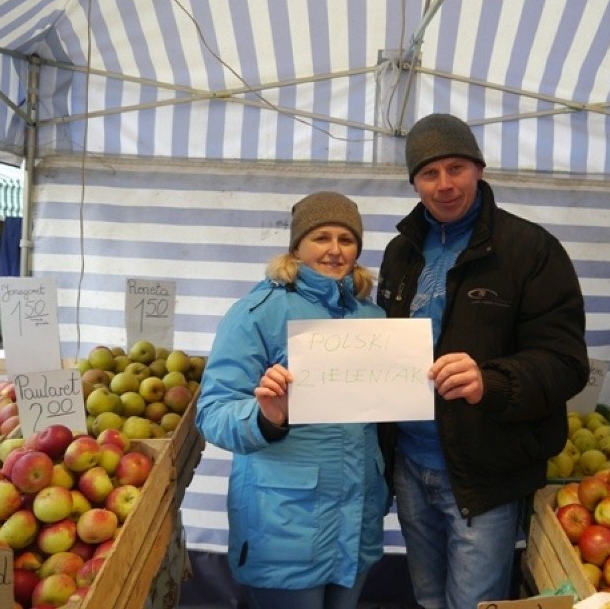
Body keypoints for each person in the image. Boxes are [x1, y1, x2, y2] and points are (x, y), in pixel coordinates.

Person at [377, 113, 590, 609]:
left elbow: (565, 362)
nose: (445, 184)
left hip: (483, 472)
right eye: (430, 173)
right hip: (410, 463)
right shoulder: (399, 253)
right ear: (414, 182)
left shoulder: (530, 250)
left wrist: (490, 381)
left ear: (479, 168)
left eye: (457, 168)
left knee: (474, 604)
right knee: (429, 598)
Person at [196, 191, 389, 609]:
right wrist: (266, 418)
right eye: (321, 237)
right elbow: (213, 411)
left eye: (346, 239)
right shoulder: (257, 312)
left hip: (356, 520)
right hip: (283, 525)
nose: (335, 250)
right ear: (297, 246)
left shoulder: (372, 318)